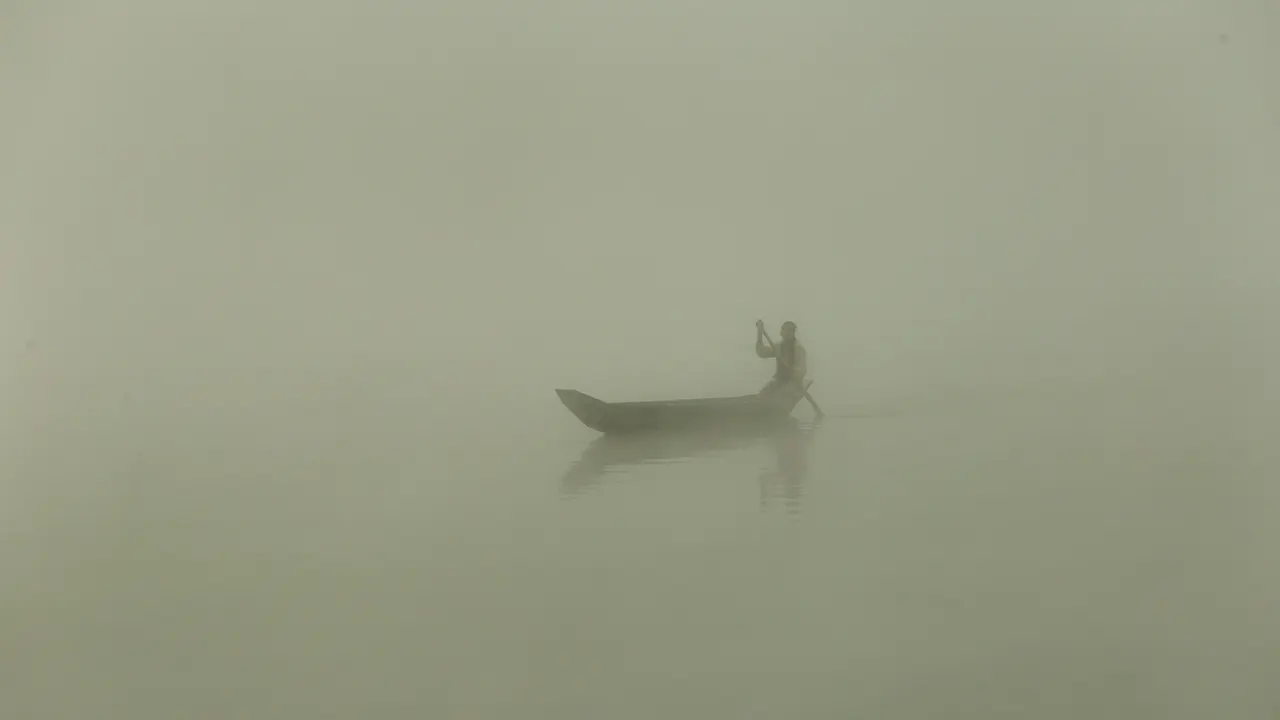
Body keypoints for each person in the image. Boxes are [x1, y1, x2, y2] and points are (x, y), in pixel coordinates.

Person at [755, 320, 808, 397]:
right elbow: (762, 352)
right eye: (783, 330)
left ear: (792, 333)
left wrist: (793, 370)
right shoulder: (779, 347)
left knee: (784, 394)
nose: (785, 333)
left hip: (793, 384)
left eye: (788, 331)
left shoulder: (799, 349)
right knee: (761, 395)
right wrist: (759, 332)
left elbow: (802, 370)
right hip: (779, 382)